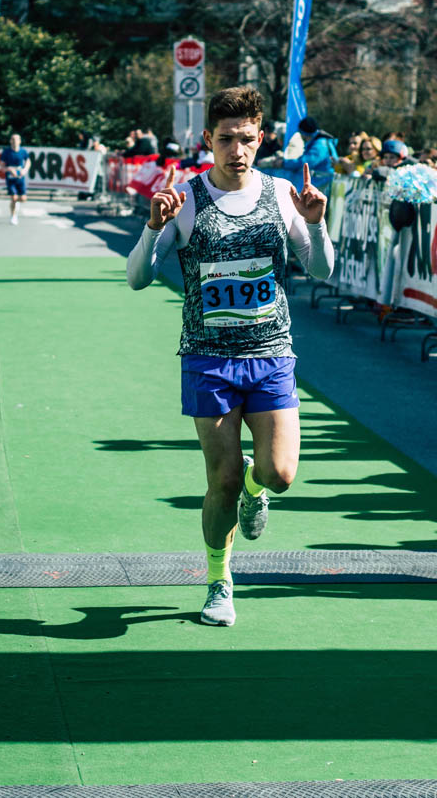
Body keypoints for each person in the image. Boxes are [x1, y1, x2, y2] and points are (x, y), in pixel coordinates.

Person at [127, 85, 335, 627]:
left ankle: (255, 488)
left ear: (260, 138)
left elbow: (321, 270)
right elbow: (138, 278)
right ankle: (219, 582)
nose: (236, 150)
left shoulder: (282, 194)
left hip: (271, 354)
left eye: (246, 139)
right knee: (219, 479)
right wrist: (153, 227)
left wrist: (316, 223)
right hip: (208, 358)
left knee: (280, 474)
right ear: (208, 140)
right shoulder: (185, 199)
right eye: (225, 139)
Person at [0, 133, 29, 225]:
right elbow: (2, 166)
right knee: (14, 197)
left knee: (23, 199)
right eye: (13, 139)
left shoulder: (23, 151)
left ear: (20, 141)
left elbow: (28, 161)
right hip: (10, 179)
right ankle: (13, 216)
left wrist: (25, 170)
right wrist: (10, 169)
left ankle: (16, 203)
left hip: (20, 179)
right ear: (10, 141)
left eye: (16, 139)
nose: (15, 141)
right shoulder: (6, 152)